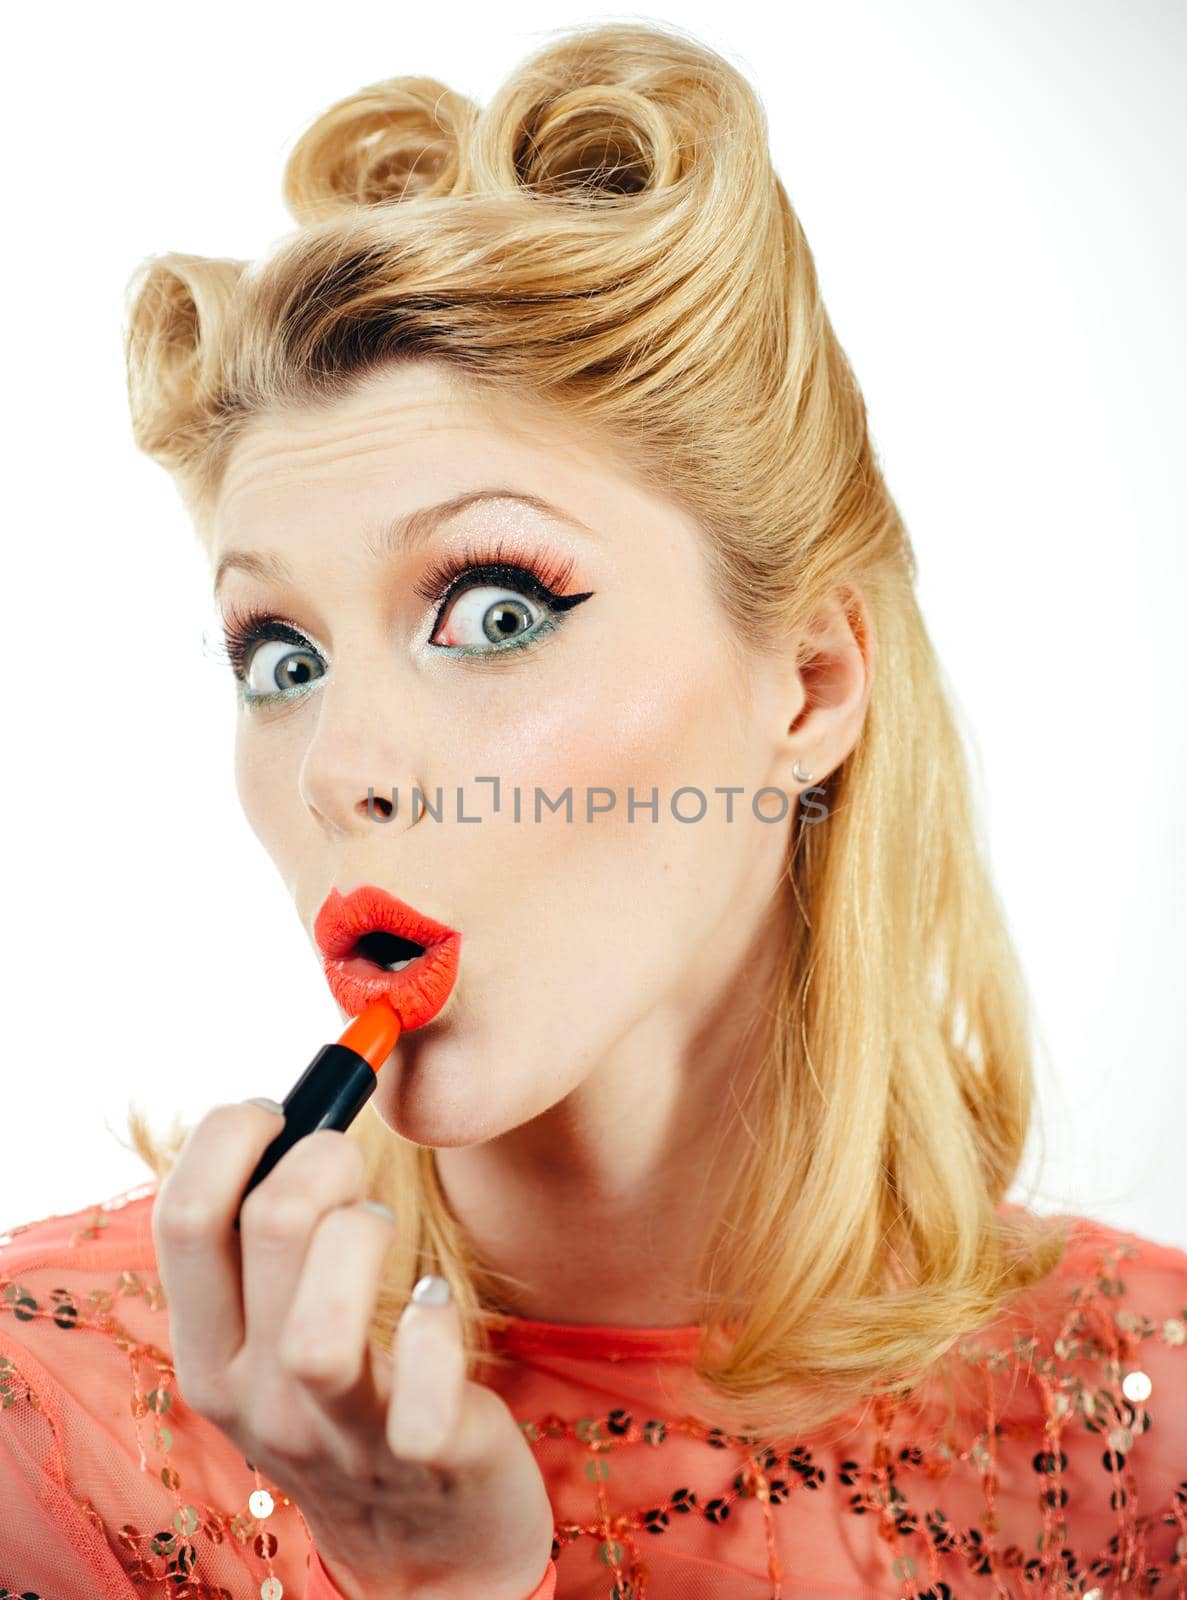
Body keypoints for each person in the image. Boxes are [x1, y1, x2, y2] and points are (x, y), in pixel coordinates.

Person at [2, 20, 1184, 1600]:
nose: (340, 766)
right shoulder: (50, 1425)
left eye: (493, 612)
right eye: (279, 654)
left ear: (811, 688)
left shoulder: (1144, 1443)